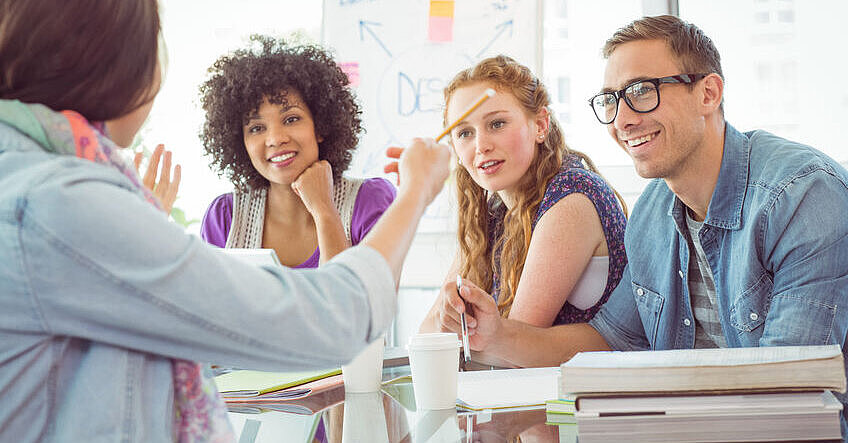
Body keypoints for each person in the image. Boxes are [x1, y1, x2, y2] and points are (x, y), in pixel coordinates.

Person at [0, 0, 450, 441]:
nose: (274, 137)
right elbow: (337, 318)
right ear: (121, 65)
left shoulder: (37, 184)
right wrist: (417, 192)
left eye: (291, 118)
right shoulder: (63, 204)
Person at [449, 15, 848, 433]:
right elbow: (608, 339)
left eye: (642, 92)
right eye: (611, 100)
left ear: (708, 93)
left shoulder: (800, 194)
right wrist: (495, 335)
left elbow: (793, 391)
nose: (622, 120)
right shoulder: (653, 213)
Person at [418, 56, 627, 368]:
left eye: (497, 124)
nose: (481, 146)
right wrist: (447, 329)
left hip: (585, 404)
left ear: (540, 125)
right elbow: (425, 339)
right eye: (464, 133)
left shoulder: (572, 197)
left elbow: (508, 354)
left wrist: (454, 339)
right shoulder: (495, 211)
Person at [198, 36, 395, 266]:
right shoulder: (225, 218)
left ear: (320, 126)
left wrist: (324, 211)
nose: (275, 139)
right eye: (257, 128)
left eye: (291, 119)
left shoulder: (369, 201)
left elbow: (355, 300)